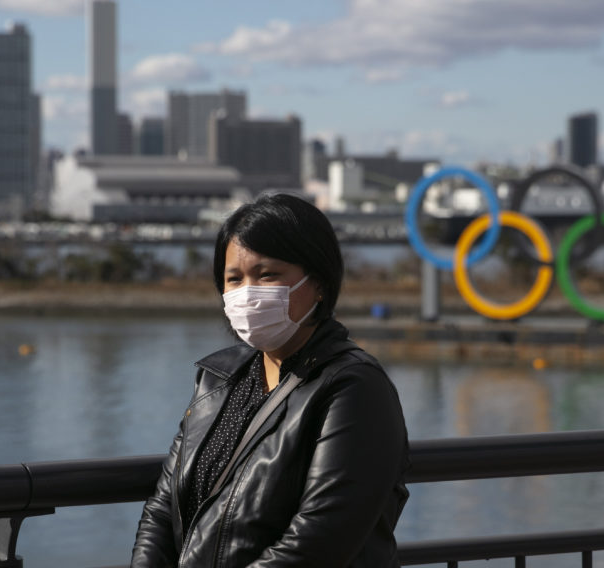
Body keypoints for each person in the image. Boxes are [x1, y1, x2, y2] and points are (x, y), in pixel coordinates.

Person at [132, 193, 409, 567]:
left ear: (320, 282)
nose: (247, 292)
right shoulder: (217, 381)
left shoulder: (353, 388)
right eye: (234, 279)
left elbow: (319, 539)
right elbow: (163, 509)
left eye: (268, 275)